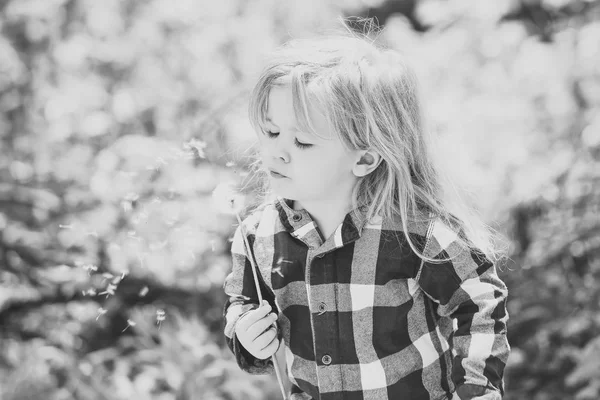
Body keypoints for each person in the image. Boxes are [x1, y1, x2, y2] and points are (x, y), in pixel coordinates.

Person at [222, 22, 510, 400]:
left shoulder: (413, 231)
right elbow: (241, 306)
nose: (277, 151)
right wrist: (246, 333)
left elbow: (479, 302)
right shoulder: (257, 236)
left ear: (365, 158)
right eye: (272, 133)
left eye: (303, 142)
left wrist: (476, 390)